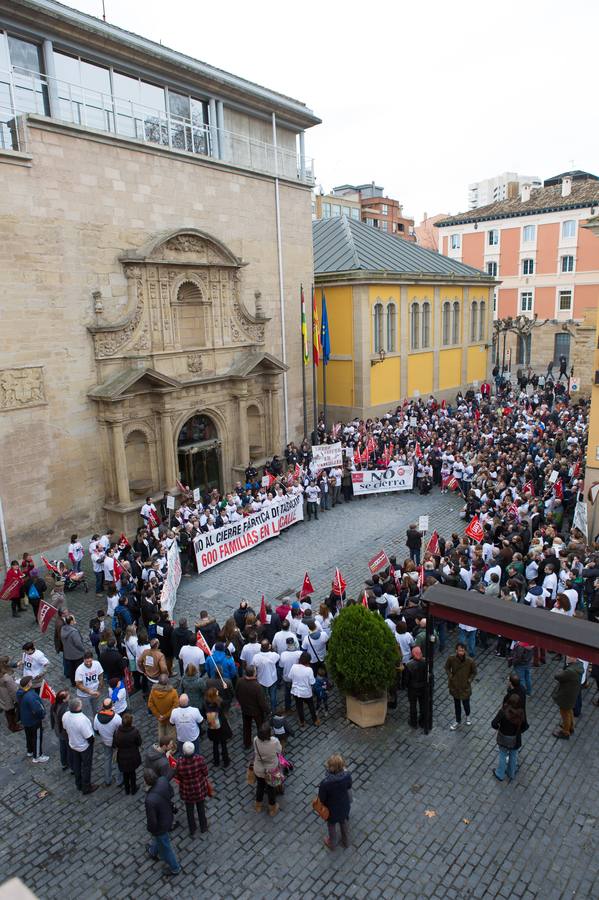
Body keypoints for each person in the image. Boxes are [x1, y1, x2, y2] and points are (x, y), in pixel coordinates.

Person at [144, 769, 181, 877]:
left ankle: (175, 868)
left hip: (161, 825)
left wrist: (150, 829)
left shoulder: (150, 800)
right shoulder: (163, 780)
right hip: (168, 816)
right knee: (159, 839)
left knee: (165, 847)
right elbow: (170, 776)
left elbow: (152, 821)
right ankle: (153, 851)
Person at [62, 698, 97, 793]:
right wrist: (92, 743)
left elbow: (65, 729)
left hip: (73, 745)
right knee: (86, 766)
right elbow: (89, 737)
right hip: (84, 747)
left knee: (76, 765)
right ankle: (86, 786)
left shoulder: (65, 715)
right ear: (78, 707)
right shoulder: (82, 720)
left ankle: (79, 784)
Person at [175, 741, 210, 836]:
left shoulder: (180, 764)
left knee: (189, 810)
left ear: (183, 752)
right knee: (201, 808)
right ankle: (203, 826)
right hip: (199, 788)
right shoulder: (200, 759)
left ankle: (192, 829)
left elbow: (177, 777)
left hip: (187, 790)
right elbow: (205, 772)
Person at [318, 754, 352, 850]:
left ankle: (332, 843)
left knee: (331, 825)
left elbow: (321, 799)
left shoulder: (325, 783)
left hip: (331, 811)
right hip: (344, 806)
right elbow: (349, 786)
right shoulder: (347, 776)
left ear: (330, 768)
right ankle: (346, 841)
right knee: (343, 821)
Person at [491, 694, 527, 782]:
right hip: (515, 738)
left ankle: (500, 774)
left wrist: (499, 728)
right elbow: (525, 726)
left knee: (502, 754)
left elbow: (494, 723)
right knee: (513, 755)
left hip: (503, 737)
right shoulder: (521, 713)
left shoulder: (503, 711)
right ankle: (511, 773)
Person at [445, 643, 477, 730]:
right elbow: (447, 667)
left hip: (465, 686)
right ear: (456, 650)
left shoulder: (470, 661)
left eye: (462, 650)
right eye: (459, 650)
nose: (461, 652)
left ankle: (468, 716)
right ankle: (457, 720)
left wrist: (469, 680)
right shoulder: (451, 658)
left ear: (465, 651)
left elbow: (474, 672)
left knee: (466, 704)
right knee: (457, 705)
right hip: (455, 686)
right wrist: (450, 676)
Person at [235, 665, 269, 748]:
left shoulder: (240, 681)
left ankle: (247, 743)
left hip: (245, 709)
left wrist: (242, 703)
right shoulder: (257, 686)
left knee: (246, 727)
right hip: (256, 711)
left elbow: (237, 694)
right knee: (260, 727)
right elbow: (262, 702)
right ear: (254, 673)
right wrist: (267, 710)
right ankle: (262, 743)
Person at [252, 723, 282, 816]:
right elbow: (279, 750)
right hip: (271, 770)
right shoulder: (274, 742)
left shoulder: (255, 740)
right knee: (270, 788)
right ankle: (272, 808)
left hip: (259, 768)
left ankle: (258, 805)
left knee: (260, 786)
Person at [16, 676, 48, 762]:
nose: (32, 682)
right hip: (34, 721)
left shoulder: (19, 692)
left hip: (25, 719)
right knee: (37, 738)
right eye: (30, 681)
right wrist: (42, 715)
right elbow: (38, 710)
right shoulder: (31, 696)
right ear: (28, 684)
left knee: (29, 736)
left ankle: (30, 751)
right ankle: (37, 756)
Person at [93, 697, 123, 787]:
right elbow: (121, 730)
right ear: (112, 706)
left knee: (107, 759)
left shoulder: (96, 717)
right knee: (119, 760)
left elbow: (96, 731)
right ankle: (119, 781)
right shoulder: (117, 718)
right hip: (116, 743)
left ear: (103, 706)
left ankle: (107, 780)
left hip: (105, 741)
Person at [552, 656, 584, 739]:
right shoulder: (579, 665)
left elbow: (558, 676)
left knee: (564, 713)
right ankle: (571, 727)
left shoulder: (570, 671)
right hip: (572, 694)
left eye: (569, 656)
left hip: (566, 696)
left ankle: (565, 732)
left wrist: (560, 671)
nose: (567, 658)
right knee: (569, 711)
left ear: (574, 658)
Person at [113, 711, 142, 795]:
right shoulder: (134, 731)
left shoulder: (117, 732)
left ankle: (127, 789)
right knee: (132, 773)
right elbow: (139, 742)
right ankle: (133, 789)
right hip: (133, 756)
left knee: (125, 774)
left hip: (122, 756)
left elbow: (115, 744)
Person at [289, 651, 320, 727]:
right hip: (306, 692)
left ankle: (302, 721)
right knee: (311, 706)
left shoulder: (294, 667)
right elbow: (312, 682)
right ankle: (315, 720)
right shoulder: (309, 670)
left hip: (296, 691)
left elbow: (290, 677)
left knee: (299, 707)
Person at [204, 686, 231, 767]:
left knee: (215, 744)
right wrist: (226, 690)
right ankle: (226, 761)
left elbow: (203, 714)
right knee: (223, 744)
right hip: (222, 727)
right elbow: (229, 701)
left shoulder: (205, 704)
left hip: (212, 727)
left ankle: (216, 761)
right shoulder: (220, 703)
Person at [148, 673, 179, 741]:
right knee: (171, 732)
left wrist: (158, 715)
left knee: (161, 732)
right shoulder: (173, 692)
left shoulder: (153, 691)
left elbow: (150, 704)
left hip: (160, 717)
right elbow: (176, 706)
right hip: (170, 717)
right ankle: (172, 746)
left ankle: (162, 745)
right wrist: (165, 716)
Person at [404, 646, 428, 729]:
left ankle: (413, 722)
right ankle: (422, 722)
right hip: (423, 687)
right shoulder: (425, 662)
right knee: (422, 705)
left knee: (413, 705)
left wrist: (406, 686)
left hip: (413, 688)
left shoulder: (409, 665)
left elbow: (406, 679)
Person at [75, 650, 104, 718]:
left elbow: (101, 675)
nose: (88, 663)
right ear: (83, 660)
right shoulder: (79, 669)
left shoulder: (97, 664)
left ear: (92, 659)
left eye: (90, 661)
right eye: (86, 662)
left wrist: (99, 688)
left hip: (95, 692)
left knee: (96, 709)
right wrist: (90, 692)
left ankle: (96, 722)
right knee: (87, 713)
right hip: (84, 696)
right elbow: (78, 684)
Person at [253, 640, 280, 711]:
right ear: (269, 647)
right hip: (272, 678)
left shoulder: (256, 657)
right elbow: (278, 657)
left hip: (261, 679)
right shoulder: (274, 655)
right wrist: (271, 649)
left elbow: (254, 666)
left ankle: (266, 710)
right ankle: (273, 710)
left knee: (263, 696)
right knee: (273, 696)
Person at [60, 615, 86, 687]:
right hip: (77, 655)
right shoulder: (74, 632)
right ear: (71, 621)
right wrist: (83, 649)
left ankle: (73, 683)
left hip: (68, 654)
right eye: (74, 619)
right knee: (79, 669)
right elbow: (78, 644)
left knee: (71, 670)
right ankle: (80, 683)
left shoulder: (62, 629)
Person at [51, 688, 71, 771]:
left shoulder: (54, 705)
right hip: (64, 732)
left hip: (58, 730)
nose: (69, 695)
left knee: (62, 747)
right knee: (69, 748)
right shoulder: (65, 709)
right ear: (63, 700)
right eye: (67, 695)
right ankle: (70, 764)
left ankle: (64, 763)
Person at [0, 656, 21, 733]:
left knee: (7, 711)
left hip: (1, 696)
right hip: (7, 698)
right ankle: (13, 726)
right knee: (10, 712)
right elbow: (13, 691)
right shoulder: (7, 678)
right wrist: (18, 700)